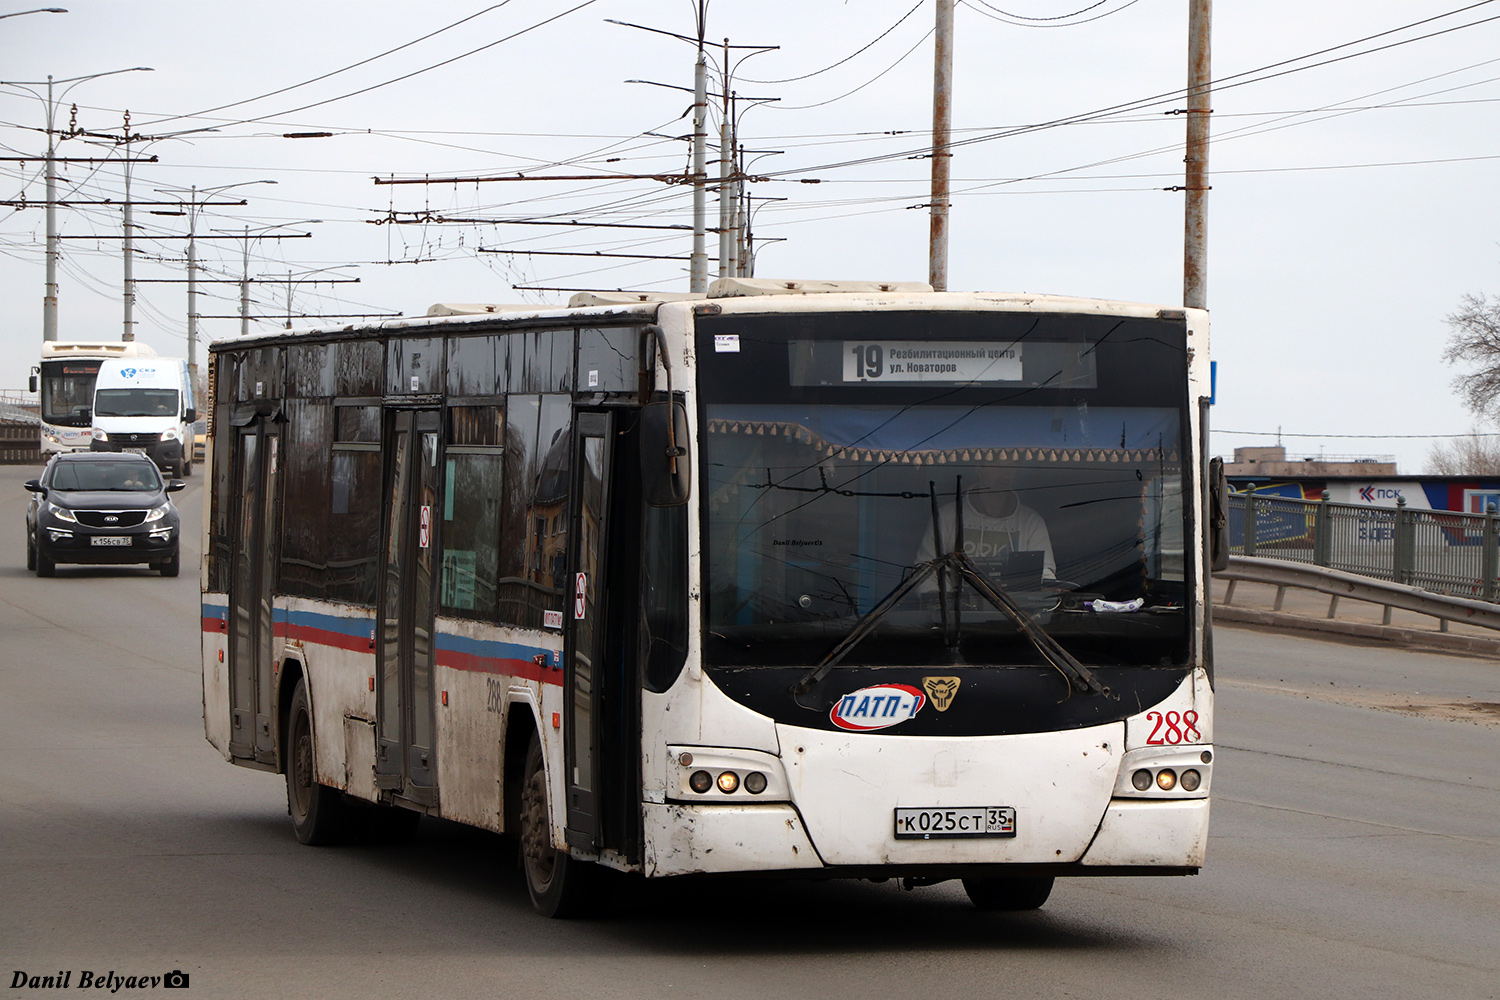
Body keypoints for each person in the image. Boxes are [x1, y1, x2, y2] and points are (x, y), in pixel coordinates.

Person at [916, 465, 1056, 584]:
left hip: (1013, 614)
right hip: (955, 613)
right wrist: (944, 603)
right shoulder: (947, 517)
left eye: (1011, 465)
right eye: (997, 464)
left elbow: (1043, 574)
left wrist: (1047, 590)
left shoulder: (1031, 522)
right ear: (979, 467)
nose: (1005, 472)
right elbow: (925, 572)